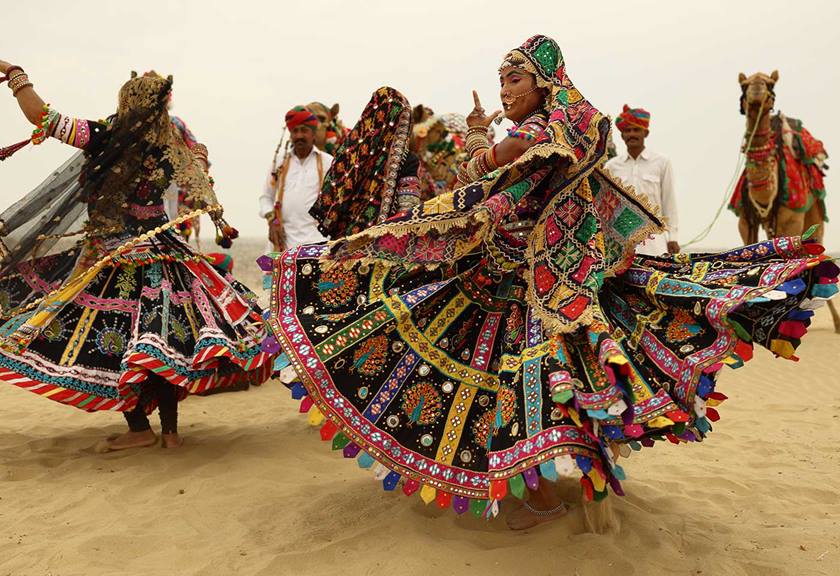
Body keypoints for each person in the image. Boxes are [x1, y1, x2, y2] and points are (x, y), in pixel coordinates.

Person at [259, 35, 837, 532]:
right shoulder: (573, 121)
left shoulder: (545, 130)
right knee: (539, 379)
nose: (506, 87)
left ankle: (540, 495)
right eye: (501, 79)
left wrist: (475, 157)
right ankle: (548, 492)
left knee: (528, 378)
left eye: (514, 77)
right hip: (532, 274)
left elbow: (486, 175)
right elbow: (491, 172)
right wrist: (480, 153)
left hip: (538, 281)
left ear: (540, 80)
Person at [0, 63, 273, 450]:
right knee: (162, 340)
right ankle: (172, 435)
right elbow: (199, 175)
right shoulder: (170, 148)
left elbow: (43, 116)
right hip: (165, 254)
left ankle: (140, 431)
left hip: (115, 257)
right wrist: (198, 156)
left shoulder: (106, 136)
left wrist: (15, 73)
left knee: (122, 343)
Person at [309, 86, 422, 239]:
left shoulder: (351, 153)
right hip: (385, 245)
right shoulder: (407, 159)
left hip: (343, 244)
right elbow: (408, 211)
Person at [605, 106, 679, 255]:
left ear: (645, 133)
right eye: (627, 130)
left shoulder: (662, 162)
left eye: (636, 130)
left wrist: (673, 237)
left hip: (655, 243)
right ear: (622, 135)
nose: (632, 134)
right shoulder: (611, 167)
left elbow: (669, 202)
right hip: (621, 243)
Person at [259, 106, 333, 251]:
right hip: (283, 243)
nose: (299, 135)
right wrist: (271, 220)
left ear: (313, 134)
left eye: (304, 130)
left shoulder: (328, 162)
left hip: (319, 242)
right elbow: (265, 197)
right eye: (295, 131)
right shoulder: (278, 162)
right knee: (268, 270)